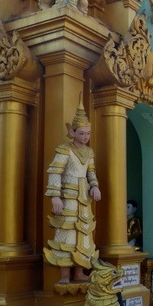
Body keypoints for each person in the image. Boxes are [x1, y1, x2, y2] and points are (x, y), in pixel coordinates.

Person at [44, 100, 101, 284]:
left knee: (83, 233)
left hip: (83, 198)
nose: (85, 137)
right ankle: (65, 275)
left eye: (88, 133)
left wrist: (95, 185)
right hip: (67, 198)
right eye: (82, 133)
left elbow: (91, 171)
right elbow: (55, 171)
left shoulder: (89, 152)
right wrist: (55, 196)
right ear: (72, 132)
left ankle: (79, 273)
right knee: (67, 232)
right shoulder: (64, 150)